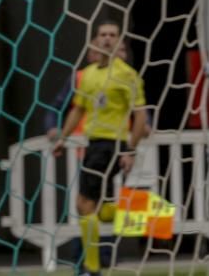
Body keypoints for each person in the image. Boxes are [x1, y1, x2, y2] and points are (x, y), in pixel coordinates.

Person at [52, 20, 147, 276]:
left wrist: (129, 149)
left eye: (112, 35)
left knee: (84, 203)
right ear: (95, 40)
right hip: (94, 145)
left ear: (119, 41)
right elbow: (79, 109)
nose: (107, 39)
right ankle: (146, 214)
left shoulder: (126, 74)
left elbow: (140, 116)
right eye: (102, 34)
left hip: (111, 145)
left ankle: (91, 269)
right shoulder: (89, 74)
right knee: (99, 207)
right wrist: (62, 137)